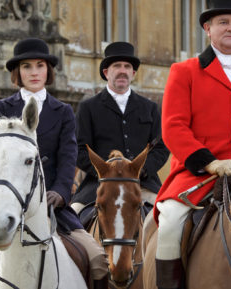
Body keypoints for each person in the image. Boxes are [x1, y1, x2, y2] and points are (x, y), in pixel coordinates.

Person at [0, 37, 109, 289]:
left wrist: (60, 191)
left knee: (98, 259)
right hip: (3, 201)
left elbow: (68, 157)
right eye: (27, 67)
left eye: (39, 65)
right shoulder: (1, 108)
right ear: (17, 72)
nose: (34, 72)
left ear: (48, 71)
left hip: (51, 204)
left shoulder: (64, 111)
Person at [153, 1, 231, 288]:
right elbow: (173, 127)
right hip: (198, 176)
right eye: (223, 22)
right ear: (208, 29)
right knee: (170, 224)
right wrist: (209, 162)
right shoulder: (184, 72)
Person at [70, 41, 169, 214]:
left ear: (133, 73)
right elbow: (79, 149)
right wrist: (105, 171)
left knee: (169, 218)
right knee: (71, 221)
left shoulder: (150, 107)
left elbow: (161, 147)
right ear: (106, 72)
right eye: (117, 66)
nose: (122, 70)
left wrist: (142, 170)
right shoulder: (88, 107)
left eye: (127, 66)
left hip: (144, 185)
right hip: (97, 185)